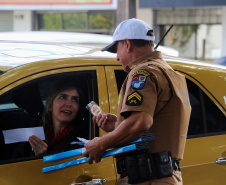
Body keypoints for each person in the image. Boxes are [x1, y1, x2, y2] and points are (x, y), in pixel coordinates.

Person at [83, 18, 191, 185]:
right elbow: (156, 123)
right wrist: (119, 125)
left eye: (116, 50)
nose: (117, 58)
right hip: (166, 175)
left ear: (127, 44)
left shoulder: (142, 73)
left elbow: (141, 122)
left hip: (148, 177)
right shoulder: (170, 73)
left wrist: (101, 144)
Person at [28, 79, 85, 156]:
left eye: (75, 100)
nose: (69, 104)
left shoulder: (82, 139)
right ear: (50, 105)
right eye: (63, 97)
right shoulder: (36, 129)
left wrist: (43, 158)